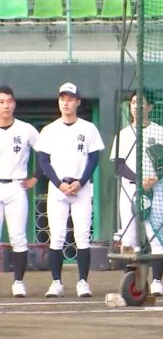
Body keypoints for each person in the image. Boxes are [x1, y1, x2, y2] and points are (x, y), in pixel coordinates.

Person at [36, 82, 105, 298]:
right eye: (62, 99)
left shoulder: (88, 128)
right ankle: (56, 282)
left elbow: (94, 158)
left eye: (70, 99)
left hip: (80, 188)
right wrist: (59, 184)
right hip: (58, 188)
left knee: (82, 235)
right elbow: (43, 161)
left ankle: (83, 282)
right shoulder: (50, 129)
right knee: (56, 236)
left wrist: (82, 181)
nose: (65, 103)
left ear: (77, 102)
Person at [109, 90, 163, 297]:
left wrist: (155, 177)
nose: (137, 106)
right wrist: (139, 179)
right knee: (129, 239)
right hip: (130, 188)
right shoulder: (123, 133)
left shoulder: (161, 131)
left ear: (150, 107)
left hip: (155, 188)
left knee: (157, 234)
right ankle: (134, 283)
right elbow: (118, 166)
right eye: (133, 102)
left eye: (142, 102)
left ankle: (156, 281)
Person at [0, 86, 39, 297]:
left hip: (16, 186)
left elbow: (44, 153)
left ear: (14, 103)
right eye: (1, 101)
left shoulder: (26, 129)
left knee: (18, 237)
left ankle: (18, 282)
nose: (6, 105)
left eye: (9, 101)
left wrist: (36, 177)